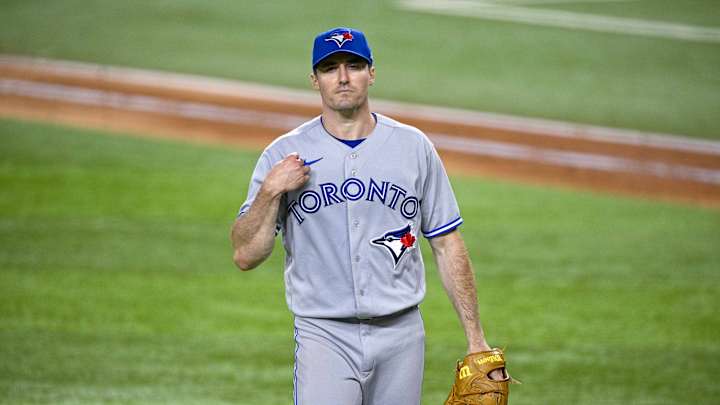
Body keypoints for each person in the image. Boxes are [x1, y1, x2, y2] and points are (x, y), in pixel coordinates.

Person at [231, 26, 504, 405]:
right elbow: (246, 255)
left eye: (354, 66)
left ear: (371, 73)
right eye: (330, 68)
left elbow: (447, 243)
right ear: (315, 80)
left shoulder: (413, 147)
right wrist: (269, 191)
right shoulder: (283, 154)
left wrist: (476, 339)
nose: (343, 77)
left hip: (402, 335)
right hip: (324, 335)